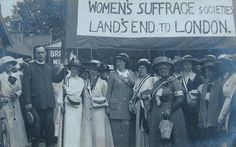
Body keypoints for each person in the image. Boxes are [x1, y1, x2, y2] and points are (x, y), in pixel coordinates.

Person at [22, 45, 67, 147]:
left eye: (42, 52)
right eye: (38, 53)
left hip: (49, 104)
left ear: (45, 54)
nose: (41, 55)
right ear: (35, 54)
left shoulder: (49, 66)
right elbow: (26, 87)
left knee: (50, 132)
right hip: (36, 105)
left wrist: (64, 68)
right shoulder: (29, 68)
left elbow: (56, 79)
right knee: (36, 132)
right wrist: (28, 102)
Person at [148, 56, 188, 147]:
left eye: (165, 68)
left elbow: (180, 98)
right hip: (157, 114)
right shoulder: (157, 83)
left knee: (172, 138)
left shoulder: (175, 82)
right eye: (160, 69)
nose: (163, 70)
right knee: (158, 139)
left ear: (169, 70)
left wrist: (170, 110)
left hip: (172, 114)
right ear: (157, 71)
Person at [81, 60, 114, 147]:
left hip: (99, 112)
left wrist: (107, 109)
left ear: (98, 72)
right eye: (91, 70)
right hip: (87, 112)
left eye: (95, 70)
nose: (93, 72)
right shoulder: (85, 82)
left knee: (99, 132)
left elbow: (106, 97)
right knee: (88, 132)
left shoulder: (103, 83)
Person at [106, 53, 136, 147]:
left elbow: (135, 89)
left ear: (125, 63)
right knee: (116, 133)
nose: (118, 63)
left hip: (127, 108)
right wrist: (107, 106)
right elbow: (108, 91)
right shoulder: (113, 74)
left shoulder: (131, 73)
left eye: (121, 61)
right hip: (115, 108)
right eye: (117, 61)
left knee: (126, 133)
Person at [0, 56, 28, 147]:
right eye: (7, 64)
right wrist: (3, 99)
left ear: (13, 65)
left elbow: (20, 89)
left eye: (11, 64)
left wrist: (16, 94)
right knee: (8, 125)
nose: (9, 66)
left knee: (17, 125)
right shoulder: (1, 77)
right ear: (4, 66)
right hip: (6, 104)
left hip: (15, 103)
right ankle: (8, 144)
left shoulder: (16, 76)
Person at [129, 58, 158, 147]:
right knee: (139, 126)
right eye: (140, 68)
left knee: (147, 126)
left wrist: (146, 97)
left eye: (143, 68)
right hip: (139, 106)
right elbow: (135, 94)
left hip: (148, 106)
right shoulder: (137, 80)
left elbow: (156, 93)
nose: (141, 70)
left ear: (147, 69)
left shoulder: (152, 79)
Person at [197, 62, 224, 146]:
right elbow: (202, 104)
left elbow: (222, 103)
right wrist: (200, 119)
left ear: (215, 72)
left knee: (216, 142)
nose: (207, 73)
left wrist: (221, 119)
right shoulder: (204, 86)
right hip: (205, 121)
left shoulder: (220, 84)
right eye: (206, 71)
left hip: (215, 119)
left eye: (210, 71)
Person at [179, 55, 202, 143]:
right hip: (183, 105)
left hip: (194, 106)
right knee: (185, 126)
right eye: (185, 65)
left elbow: (201, 92)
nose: (187, 66)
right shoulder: (180, 78)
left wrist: (195, 100)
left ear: (192, 65)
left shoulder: (196, 77)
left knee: (193, 126)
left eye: (189, 64)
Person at [63, 62, 84, 147]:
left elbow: (77, 93)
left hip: (77, 106)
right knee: (68, 126)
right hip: (68, 105)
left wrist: (66, 88)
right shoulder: (66, 79)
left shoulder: (81, 80)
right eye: (72, 68)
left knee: (76, 127)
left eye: (76, 69)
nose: (74, 70)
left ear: (79, 70)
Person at [218, 55, 236, 146]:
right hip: (226, 105)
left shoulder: (234, 77)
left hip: (231, 108)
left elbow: (230, 98)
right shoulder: (228, 76)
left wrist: (221, 116)